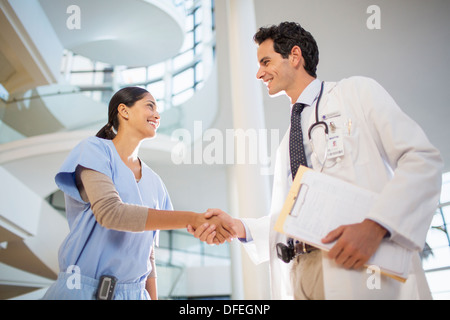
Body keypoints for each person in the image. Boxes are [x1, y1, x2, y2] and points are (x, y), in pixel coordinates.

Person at [189, 22, 443, 300]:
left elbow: (421, 159)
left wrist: (377, 225)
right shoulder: (286, 141)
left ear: (295, 56)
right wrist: (243, 228)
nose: (259, 72)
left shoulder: (355, 93)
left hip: (355, 263)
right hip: (300, 270)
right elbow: (296, 214)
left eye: (266, 61)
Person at [43, 86, 235, 300]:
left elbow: (147, 254)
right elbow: (110, 213)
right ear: (124, 111)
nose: (157, 115)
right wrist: (193, 218)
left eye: (157, 109)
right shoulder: (94, 150)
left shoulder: (156, 182)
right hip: (80, 289)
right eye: (150, 106)